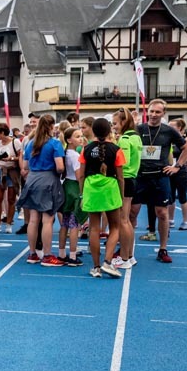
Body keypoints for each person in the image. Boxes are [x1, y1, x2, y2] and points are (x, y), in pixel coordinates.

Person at [131, 99, 187, 264]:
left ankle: (163, 249)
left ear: (163, 114)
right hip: (140, 176)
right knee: (132, 213)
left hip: (160, 177)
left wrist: (177, 166)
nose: (154, 115)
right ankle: (127, 249)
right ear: (147, 111)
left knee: (162, 213)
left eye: (158, 112)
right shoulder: (138, 129)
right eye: (152, 111)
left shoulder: (169, 131)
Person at [78, 118, 126, 278]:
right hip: (110, 188)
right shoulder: (117, 150)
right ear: (109, 131)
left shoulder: (85, 149)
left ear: (93, 131)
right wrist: (121, 196)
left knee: (93, 228)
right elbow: (121, 177)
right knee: (115, 227)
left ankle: (96, 267)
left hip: (91, 188)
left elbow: (81, 175)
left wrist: (82, 194)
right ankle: (107, 261)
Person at [18, 114, 66, 266]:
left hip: (32, 180)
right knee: (47, 220)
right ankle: (47, 255)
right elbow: (60, 167)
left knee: (33, 219)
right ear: (51, 126)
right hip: (48, 180)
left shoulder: (30, 143)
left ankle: (32, 253)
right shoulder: (54, 143)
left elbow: (25, 166)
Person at [111, 108, 141, 269]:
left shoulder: (125, 139)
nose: (114, 127)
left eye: (115, 123)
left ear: (124, 122)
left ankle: (123, 258)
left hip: (125, 179)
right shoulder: (136, 137)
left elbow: (124, 161)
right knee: (127, 220)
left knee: (123, 220)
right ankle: (129, 255)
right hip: (132, 178)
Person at [56, 127, 87, 266]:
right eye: (77, 136)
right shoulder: (74, 155)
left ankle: (62, 253)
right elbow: (79, 175)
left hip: (66, 186)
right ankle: (73, 256)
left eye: (81, 135)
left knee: (64, 223)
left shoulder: (66, 153)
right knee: (74, 224)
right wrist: (82, 193)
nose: (81, 138)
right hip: (74, 187)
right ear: (69, 140)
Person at [0, 123, 19, 233]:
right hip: (0, 169)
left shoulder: (15, 142)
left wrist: (10, 158)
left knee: (11, 199)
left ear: (2, 133)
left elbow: (21, 157)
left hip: (12, 171)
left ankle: (8, 224)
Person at [167, 118, 187, 229]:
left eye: (172, 126)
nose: (169, 128)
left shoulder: (184, 140)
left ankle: (185, 222)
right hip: (169, 171)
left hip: (181, 171)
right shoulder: (168, 139)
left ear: (179, 127)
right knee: (170, 197)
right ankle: (171, 220)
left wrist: (184, 160)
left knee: (182, 197)